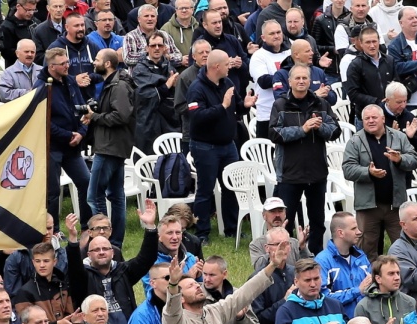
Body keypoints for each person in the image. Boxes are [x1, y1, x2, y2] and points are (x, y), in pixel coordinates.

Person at [187, 48, 257, 243]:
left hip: (228, 145)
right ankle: (202, 233)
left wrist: (244, 105)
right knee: (205, 190)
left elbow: (235, 107)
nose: (230, 67)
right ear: (216, 66)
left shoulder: (227, 82)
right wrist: (222, 106)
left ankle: (231, 228)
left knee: (231, 188)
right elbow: (197, 117)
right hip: (205, 146)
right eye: (227, 64)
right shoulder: (196, 88)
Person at [269, 64, 340, 253]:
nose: (301, 81)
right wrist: (303, 130)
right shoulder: (280, 105)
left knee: (317, 219)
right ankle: (287, 255)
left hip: (317, 173)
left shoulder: (321, 104)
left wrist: (320, 127)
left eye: (305, 78)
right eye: (297, 78)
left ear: (310, 81)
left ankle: (316, 254)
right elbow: (275, 134)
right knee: (287, 220)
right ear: (289, 81)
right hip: (289, 173)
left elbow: (335, 131)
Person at [343, 104, 417, 261]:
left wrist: (400, 159)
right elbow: (347, 169)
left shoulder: (399, 137)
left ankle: (403, 281)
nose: (371, 121)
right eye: (367, 118)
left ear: (383, 119)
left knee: (404, 247)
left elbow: (414, 159)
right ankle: (369, 284)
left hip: (395, 205)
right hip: (368, 207)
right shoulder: (355, 141)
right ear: (362, 121)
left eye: (374, 117)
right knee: (366, 250)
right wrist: (368, 172)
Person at [81, 48, 133, 248]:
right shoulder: (112, 83)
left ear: (108, 64)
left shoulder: (118, 86)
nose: (94, 63)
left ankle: (103, 238)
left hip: (109, 147)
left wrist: (95, 117)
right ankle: (116, 241)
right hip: (112, 145)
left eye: (97, 59)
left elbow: (121, 116)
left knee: (94, 196)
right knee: (116, 195)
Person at [38, 49, 92, 226]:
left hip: (73, 146)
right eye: (63, 64)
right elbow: (43, 121)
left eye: (67, 62)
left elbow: (82, 108)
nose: (68, 65)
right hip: (52, 147)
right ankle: (53, 232)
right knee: (52, 192)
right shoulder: (42, 87)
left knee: (86, 182)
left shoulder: (70, 81)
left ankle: (86, 225)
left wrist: (81, 133)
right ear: (51, 66)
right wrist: (68, 135)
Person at [354, 255, 415, 324]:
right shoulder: (363, 306)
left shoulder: (410, 302)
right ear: (378, 279)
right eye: (391, 274)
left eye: (398, 273)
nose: (397, 277)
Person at [131, 30, 180, 155]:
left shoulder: (169, 66)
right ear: (147, 48)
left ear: (165, 48)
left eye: (160, 45)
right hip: (148, 120)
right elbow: (146, 94)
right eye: (153, 45)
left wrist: (167, 86)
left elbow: (175, 90)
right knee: (148, 157)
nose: (157, 48)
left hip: (169, 119)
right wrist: (167, 84)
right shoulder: (140, 68)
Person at [343, 26, 397, 122]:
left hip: (389, 114)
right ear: (361, 43)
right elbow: (353, 94)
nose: (372, 46)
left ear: (379, 41)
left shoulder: (389, 60)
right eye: (368, 42)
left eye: (374, 41)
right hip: (366, 118)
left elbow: (397, 83)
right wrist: (376, 102)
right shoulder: (355, 65)